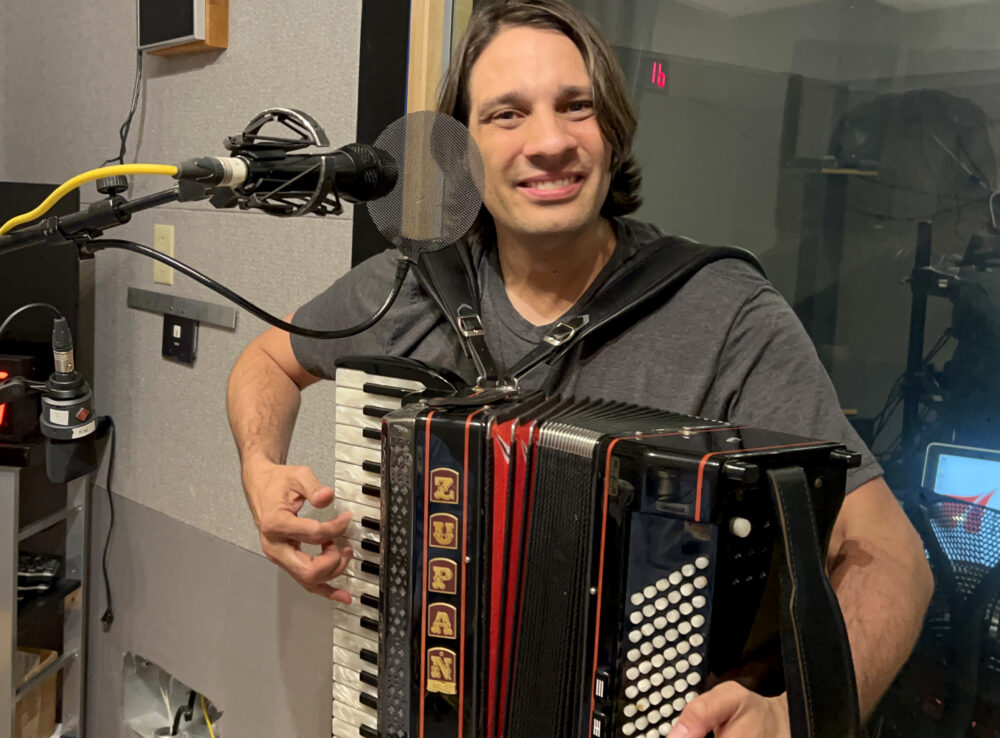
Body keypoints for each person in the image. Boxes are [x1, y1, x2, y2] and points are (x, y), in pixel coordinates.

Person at [226, 1, 933, 735]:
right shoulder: (404, 287)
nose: (550, 141)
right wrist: (259, 466)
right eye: (506, 114)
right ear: (462, 151)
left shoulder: (724, 313)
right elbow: (268, 360)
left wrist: (795, 720)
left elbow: (890, 555)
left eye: (576, 106)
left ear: (614, 131)